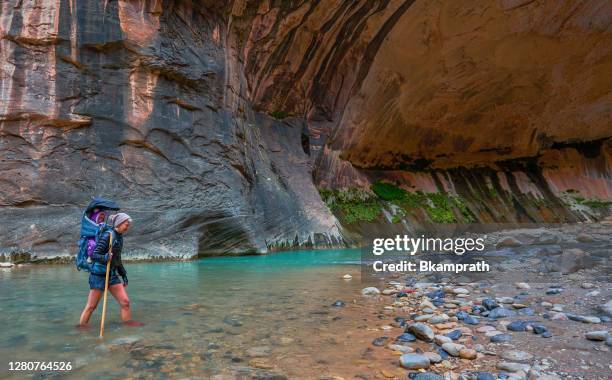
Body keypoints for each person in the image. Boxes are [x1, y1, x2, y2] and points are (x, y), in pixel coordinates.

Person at [79, 213, 140, 326]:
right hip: (99, 275)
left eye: (128, 225)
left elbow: (117, 258)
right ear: (119, 223)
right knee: (91, 306)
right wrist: (105, 257)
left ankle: (128, 324)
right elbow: (94, 255)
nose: (128, 227)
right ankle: (82, 327)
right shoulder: (108, 235)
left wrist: (123, 274)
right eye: (126, 224)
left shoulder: (119, 236)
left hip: (111, 275)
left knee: (125, 302)